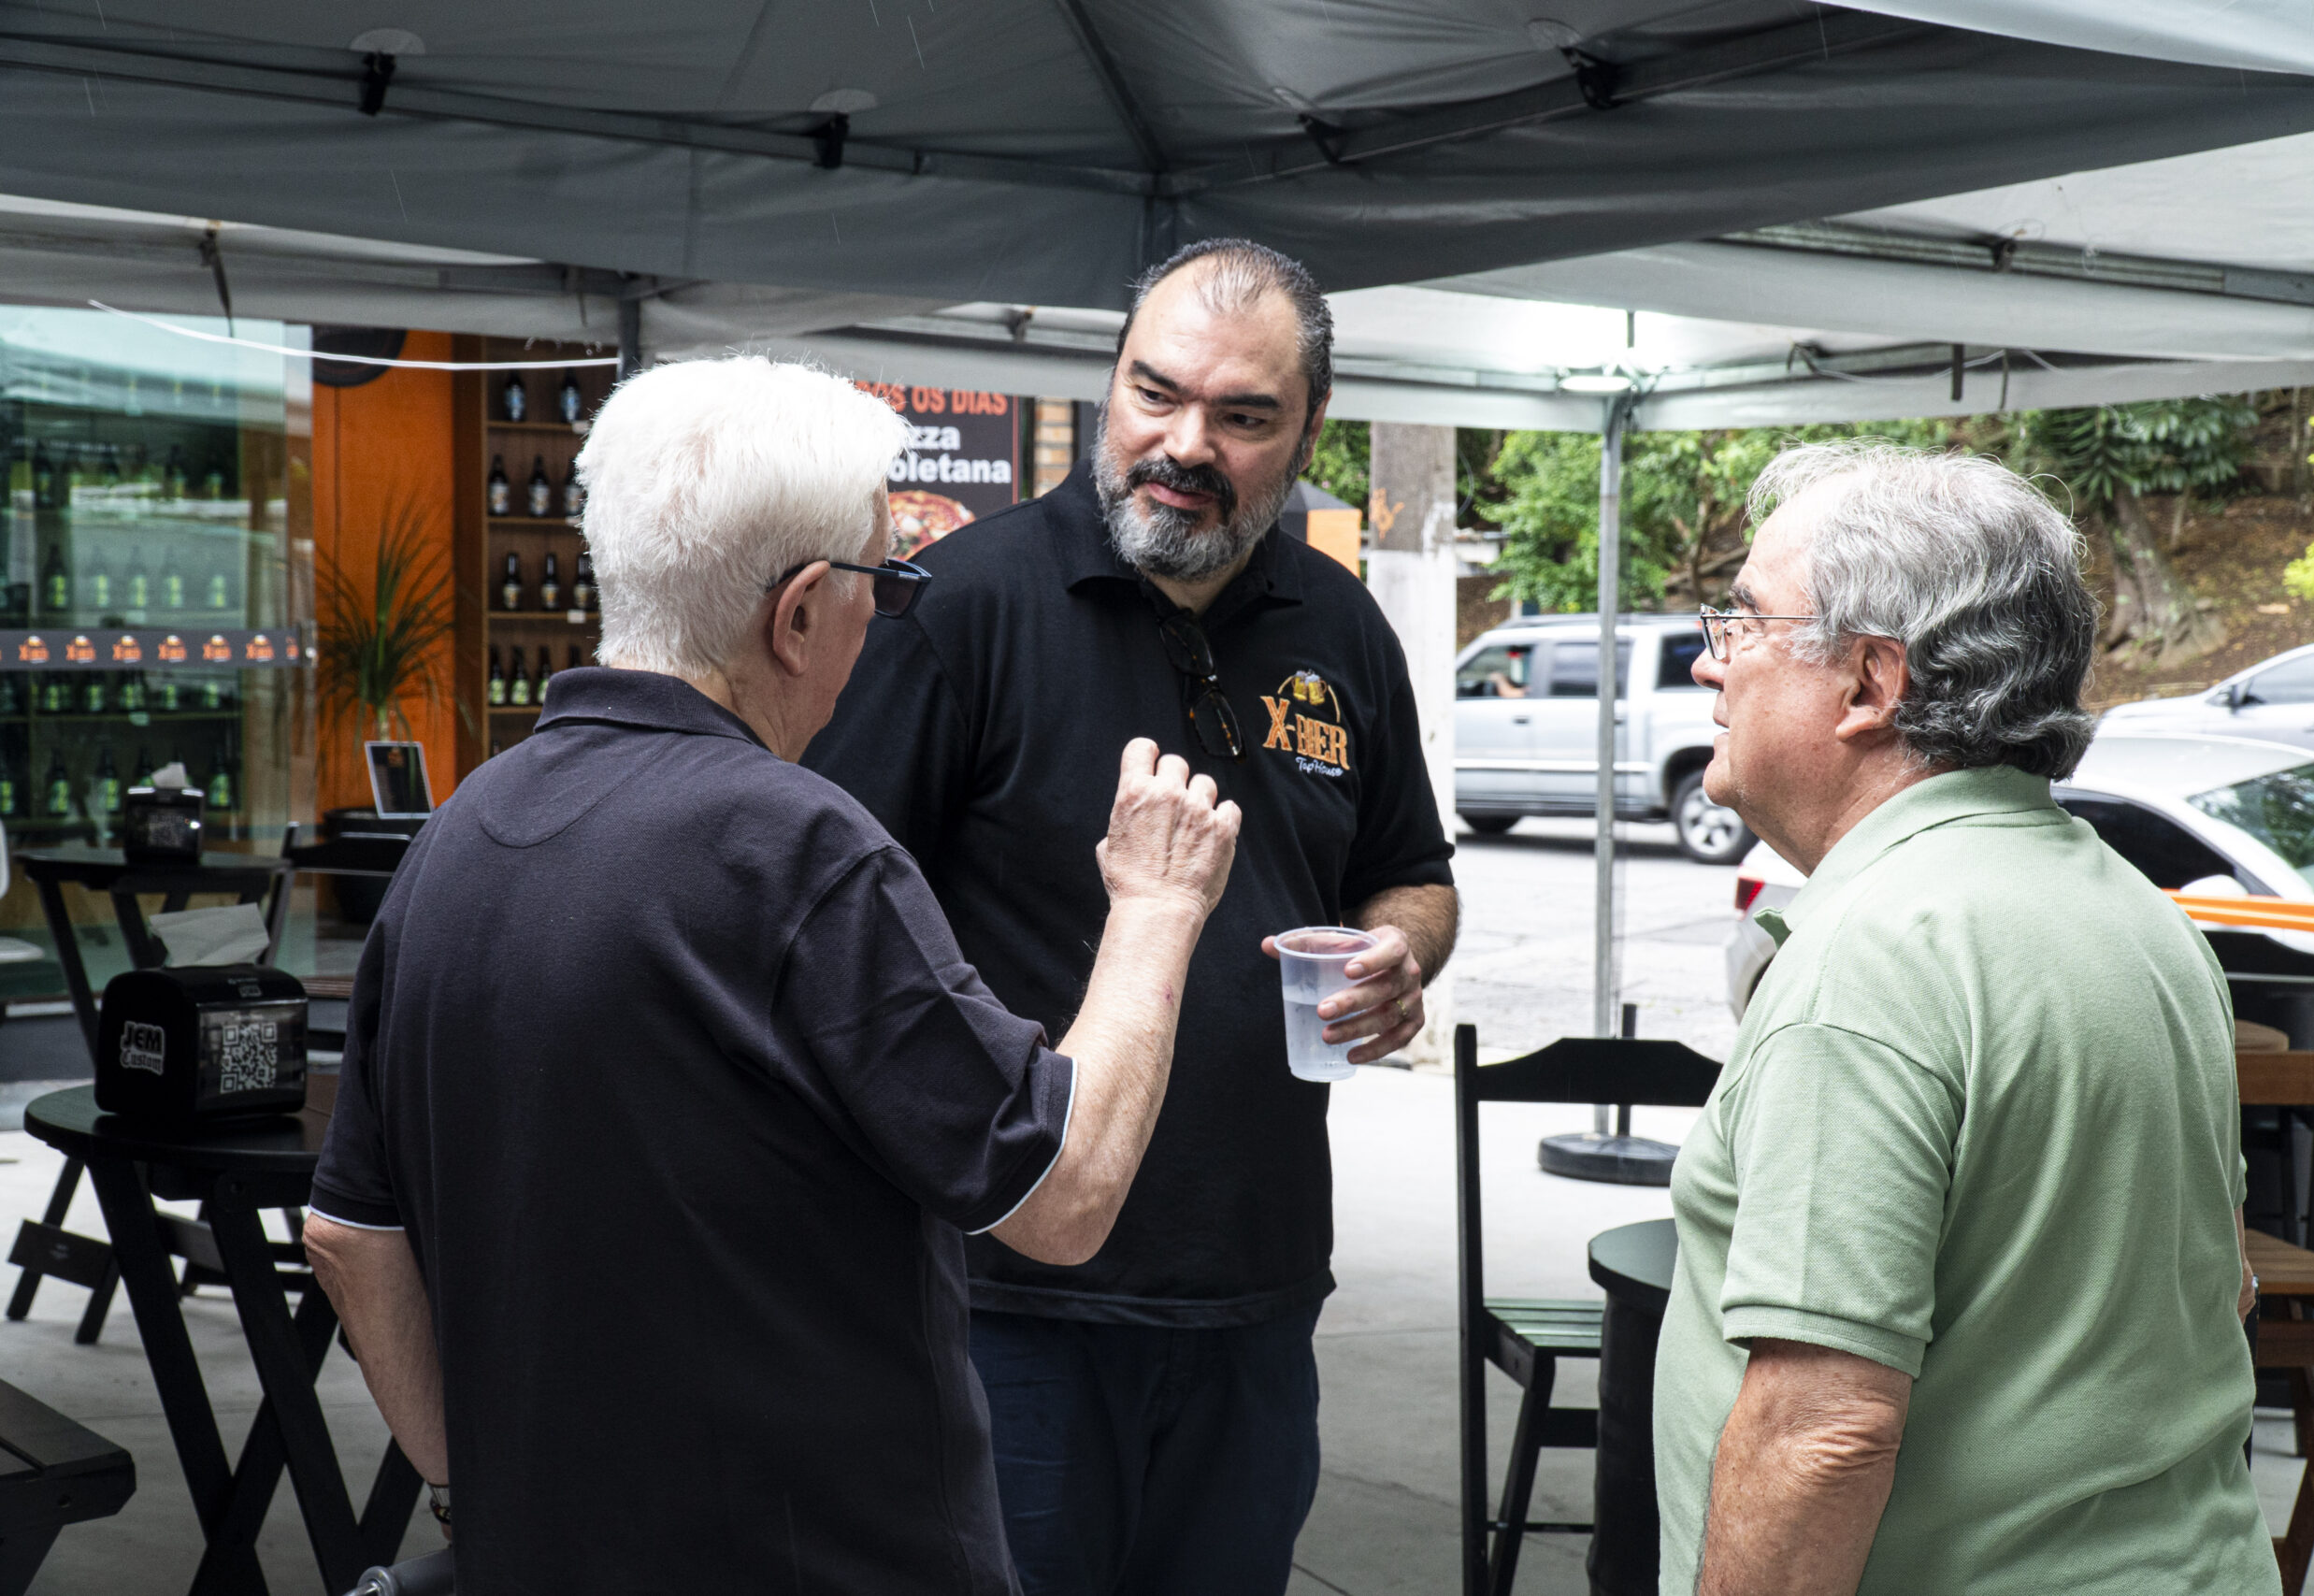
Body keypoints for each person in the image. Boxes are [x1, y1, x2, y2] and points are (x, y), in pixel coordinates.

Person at [302, 355, 1245, 1594]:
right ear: (798, 612)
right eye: (884, 585)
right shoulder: (793, 847)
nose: (881, 619)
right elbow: (1060, 1194)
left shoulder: (460, 834)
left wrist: (485, 1480)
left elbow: (347, 1231)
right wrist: (1158, 909)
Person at [804, 239, 1459, 1594]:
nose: (1186, 444)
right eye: (1155, 393)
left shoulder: (1341, 626)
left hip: (1257, 1287)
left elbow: (1412, 870)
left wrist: (1402, 951)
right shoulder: (959, 609)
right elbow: (832, 930)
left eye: (1243, 415)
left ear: (1310, 431)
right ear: (1108, 382)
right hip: (1007, 1300)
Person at [1657, 441, 2273, 1595]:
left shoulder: (1872, 957)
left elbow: (1822, 1435)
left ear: (1868, 684)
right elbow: (2222, 1286)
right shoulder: (2140, 917)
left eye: (1741, 624)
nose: (1709, 664)